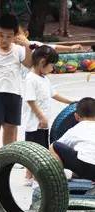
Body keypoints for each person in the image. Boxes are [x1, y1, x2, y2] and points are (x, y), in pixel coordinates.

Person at [0, 14, 32, 155]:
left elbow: (29, 64)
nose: (4, 39)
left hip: (14, 94)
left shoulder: (18, 50)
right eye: (1, 35)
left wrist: (27, 46)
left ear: (15, 36)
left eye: (9, 36)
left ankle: (7, 158)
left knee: (10, 128)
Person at [23, 46, 73, 185]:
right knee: (35, 151)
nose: (52, 69)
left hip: (43, 124)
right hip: (34, 124)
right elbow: (30, 100)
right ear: (42, 62)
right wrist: (41, 117)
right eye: (51, 65)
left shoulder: (44, 78)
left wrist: (70, 101)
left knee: (41, 149)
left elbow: (54, 94)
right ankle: (32, 178)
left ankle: (29, 176)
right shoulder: (30, 78)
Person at [50, 98, 95, 181]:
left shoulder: (74, 130)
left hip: (87, 169)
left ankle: (58, 181)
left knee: (54, 146)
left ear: (76, 116)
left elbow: (60, 145)